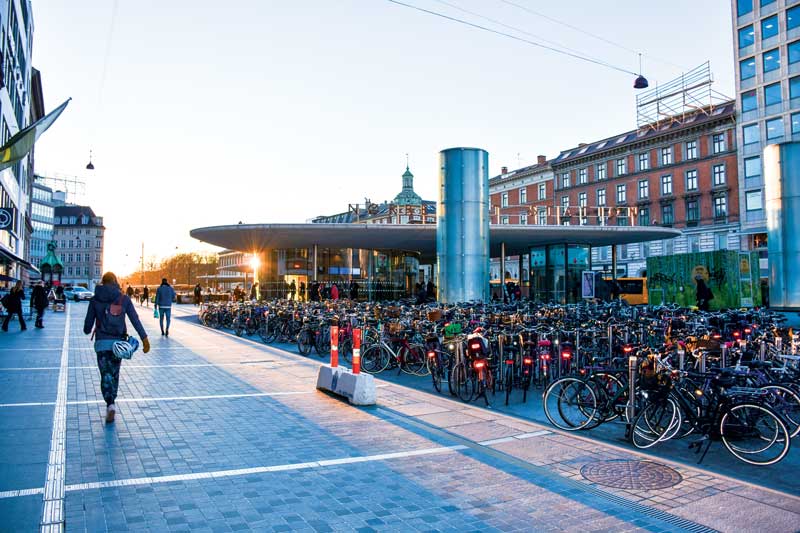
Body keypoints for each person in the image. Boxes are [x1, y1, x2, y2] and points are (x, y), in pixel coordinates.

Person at [83, 272, 149, 423]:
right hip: (118, 345)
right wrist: (144, 338)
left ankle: (110, 403)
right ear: (115, 281)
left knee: (105, 374)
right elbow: (135, 319)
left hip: (101, 344)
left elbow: (87, 328)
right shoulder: (123, 299)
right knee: (114, 373)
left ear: (102, 282)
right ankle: (112, 400)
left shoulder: (94, 299)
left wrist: (90, 326)